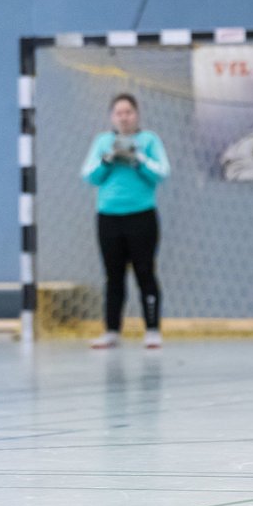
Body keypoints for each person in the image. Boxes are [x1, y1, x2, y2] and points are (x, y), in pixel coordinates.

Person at [80, 93, 171, 350]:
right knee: (113, 275)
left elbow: (162, 173)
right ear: (112, 117)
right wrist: (108, 159)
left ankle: (152, 330)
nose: (124, 117)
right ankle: (111, 331)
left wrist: (138, 159)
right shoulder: (102, 142)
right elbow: (89, 176)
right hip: (109, 217)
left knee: (145, 272)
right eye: (119, 113)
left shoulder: (149, 140)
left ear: (137, 114)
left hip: (141, 216)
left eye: (128, 112)